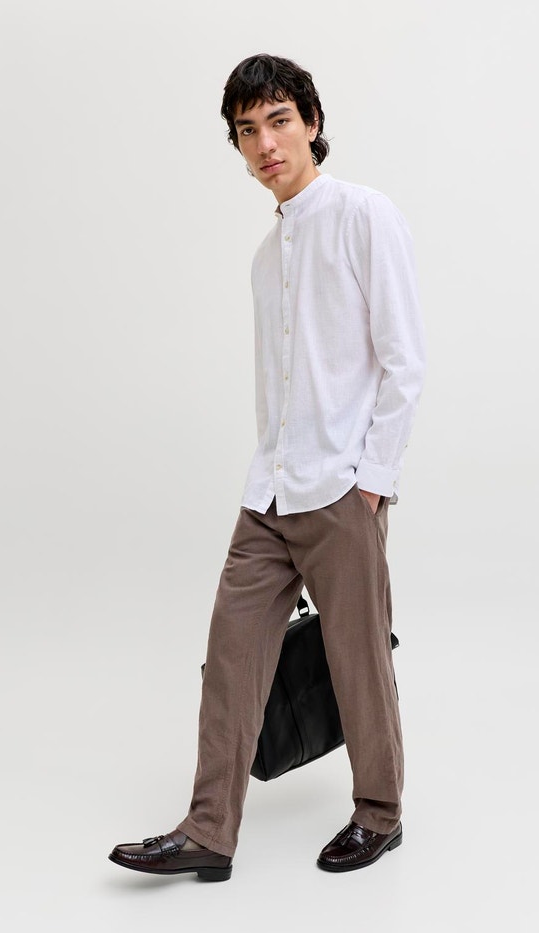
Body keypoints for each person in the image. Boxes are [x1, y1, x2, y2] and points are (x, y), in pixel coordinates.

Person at [108, 53, 426, 882]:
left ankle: (380, 813)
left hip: (342, 488)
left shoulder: (363, 215)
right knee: (232, 656)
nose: (265, 144)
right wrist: (269, 473)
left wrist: (372, 483)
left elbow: (404, 359)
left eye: (279, 121)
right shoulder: (264, 256)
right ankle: (209, 831)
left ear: (312, 122)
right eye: (247, 131)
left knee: (359, 660)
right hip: (271, 490)